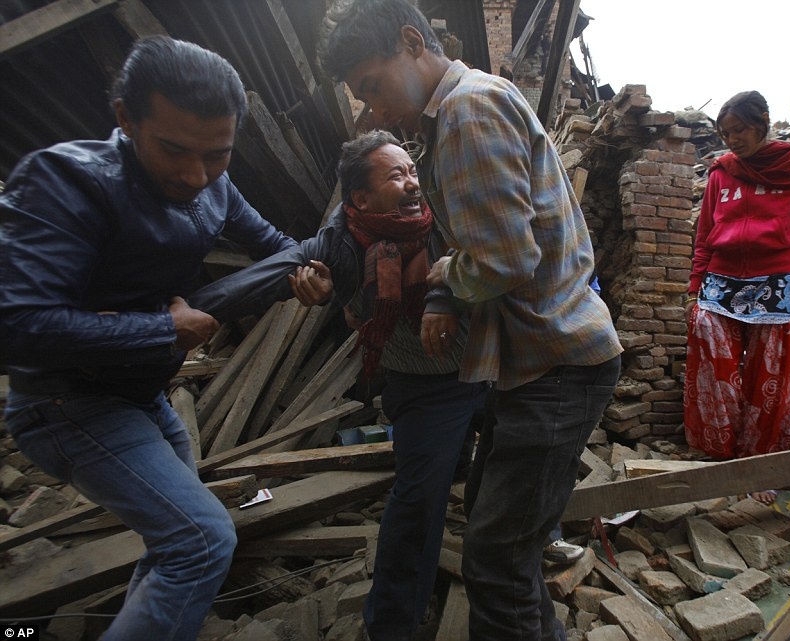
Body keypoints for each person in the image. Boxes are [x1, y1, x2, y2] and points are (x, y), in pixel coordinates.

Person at [322, 3, 624, 639]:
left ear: (411, 42)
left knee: (496, 564)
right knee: (501, 554)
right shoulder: (470, 105)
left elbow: (507, 257)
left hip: (555, 365)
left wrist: (443, 278)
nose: (375, 113)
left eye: (372, 87)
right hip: (542, 365)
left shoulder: (464, 112)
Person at [0, 36, 297, 641]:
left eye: (217, 154)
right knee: (203, 539)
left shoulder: (214, 183)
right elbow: (15, 326)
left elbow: (276, 247)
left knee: (176, 547)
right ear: (125, 119)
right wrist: (163, 328)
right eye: (174, 150)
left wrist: (306, 275)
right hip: (66, 405)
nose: (196, 174)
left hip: (142, 396)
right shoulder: (64, 181)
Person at [188, 129, 488, 641]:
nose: (412, 182)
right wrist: (194, 309)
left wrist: (447, 298)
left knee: (510, 459)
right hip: (425, 385)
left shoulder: (443, 203)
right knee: (417, 503)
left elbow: (491, 249)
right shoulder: (343, 243)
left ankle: (528, 539)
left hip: (490, 362)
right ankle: (391, 625)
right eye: (396, 176)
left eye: (410, 169)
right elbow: (278, 269)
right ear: (361, 200)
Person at [684, 90, 790, 505]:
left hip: (776, 283)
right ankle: (721, 453)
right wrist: (696, 287)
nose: (732, 140)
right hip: (720, 282)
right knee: (715, 368)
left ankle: (761, 460)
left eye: (740, 130)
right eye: (725, 132)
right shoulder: (721, 173)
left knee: (769, 376)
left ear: (763, 122)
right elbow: (704, 235)